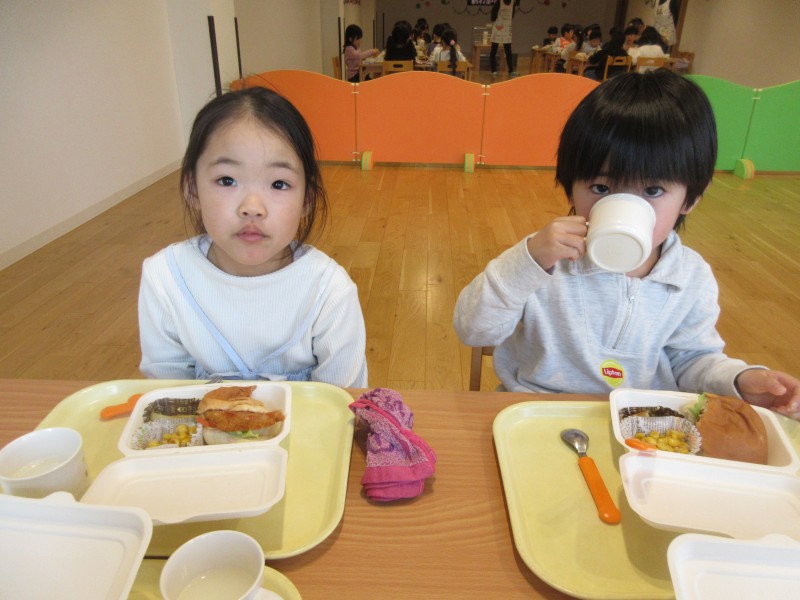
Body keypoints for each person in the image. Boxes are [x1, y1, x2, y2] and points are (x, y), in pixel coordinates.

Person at [453, 70, 800, 421]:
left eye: (652, 190)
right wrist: (528, 262)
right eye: (601, 188)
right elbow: (473, 330)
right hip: (537, 413)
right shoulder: (544, 259)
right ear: (570, 186)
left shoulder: (690, 277)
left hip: (643, 425)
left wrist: (739, 379)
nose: (622, 205)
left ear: (691, 197)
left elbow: (692, 360)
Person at [138, 87, 368, 387]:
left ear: (307, 200)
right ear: (192, 190)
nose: (252, 207)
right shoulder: (165, 277)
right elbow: (166, 391)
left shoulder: (329, 290)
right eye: (227, 180)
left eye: (279, 184)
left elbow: (343, 400)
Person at [490, 0, 518, 78]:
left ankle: (510, 70)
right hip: (499, 27)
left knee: (507, 51)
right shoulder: (500, 2)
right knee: (496, 50)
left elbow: (494, 13)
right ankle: (494, 70)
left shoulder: (512, 2)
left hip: (505, 28)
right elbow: (494, 13)